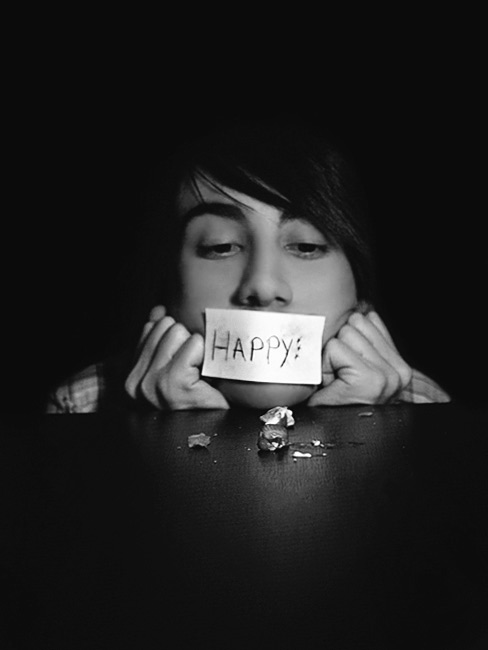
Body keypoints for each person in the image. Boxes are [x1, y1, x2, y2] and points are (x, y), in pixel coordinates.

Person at [46, 117, 450, 413]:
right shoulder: (81, 405)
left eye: (306, 246)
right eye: (220, 246)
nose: (262, 286)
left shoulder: (426, 409)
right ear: (167, 287)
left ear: (360, 295)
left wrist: (366, 433)